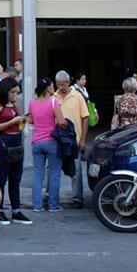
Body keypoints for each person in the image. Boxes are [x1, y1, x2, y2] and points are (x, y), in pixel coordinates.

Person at [0, 78, 32, 225]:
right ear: (5, 91)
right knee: (1, 178)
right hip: (3, 143)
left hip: (16, 142)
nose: (15, 95)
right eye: (12, 92)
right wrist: (13, 121)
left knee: (15, 179)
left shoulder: (13, 104)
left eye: (16, 92)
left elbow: (16, 122)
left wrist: (23, 121)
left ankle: (16, 210)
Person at [29, 77, 67, 213]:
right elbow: (61, 121)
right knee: (54, 173)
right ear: (48, 88)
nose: (53, 88)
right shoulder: (53, 101)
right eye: (52, 86)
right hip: (51, 141)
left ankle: (37, 205)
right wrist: (68, 125)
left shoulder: (32, 103)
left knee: (38, 174)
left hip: (36, 142)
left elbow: (32, 120)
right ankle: (53, 205)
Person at [54, 70, 90, 209]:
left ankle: (77, 198)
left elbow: (85, 117)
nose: (61, 87)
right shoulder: (54, 96)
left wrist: (83, 139)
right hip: (58, 139)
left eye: (63, 84)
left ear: (69, 83)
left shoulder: (77, 96)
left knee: (76, 171)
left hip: (74, 138)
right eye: (58, 84)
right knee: (54, 169)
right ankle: (52, 197)